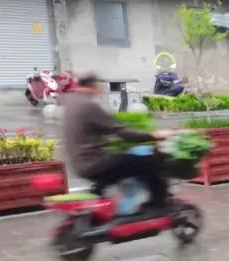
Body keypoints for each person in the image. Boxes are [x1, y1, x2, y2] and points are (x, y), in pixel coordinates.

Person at [62, 74, 173, 209]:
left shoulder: (72, 103)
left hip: (80, 164)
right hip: (95, 162)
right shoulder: (89, 106)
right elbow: (122, 132)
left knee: (120, 165)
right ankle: (158, 205)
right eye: (101, 86)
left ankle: (98, 194)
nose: (102, 89)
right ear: (94, 86)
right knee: (149, 163)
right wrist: (154, 135)